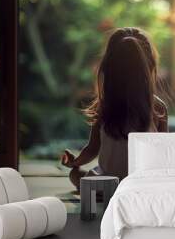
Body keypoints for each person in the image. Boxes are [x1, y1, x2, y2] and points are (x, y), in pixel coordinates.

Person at [61, 27, 169, 190]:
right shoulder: (158, 108)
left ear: (108, 69)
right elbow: (165, 154)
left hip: (106, 185)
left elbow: (92, 149)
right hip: (142, 185)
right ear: (150, 66)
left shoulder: (106, 106)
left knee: (75, 175)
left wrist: (74, 162)